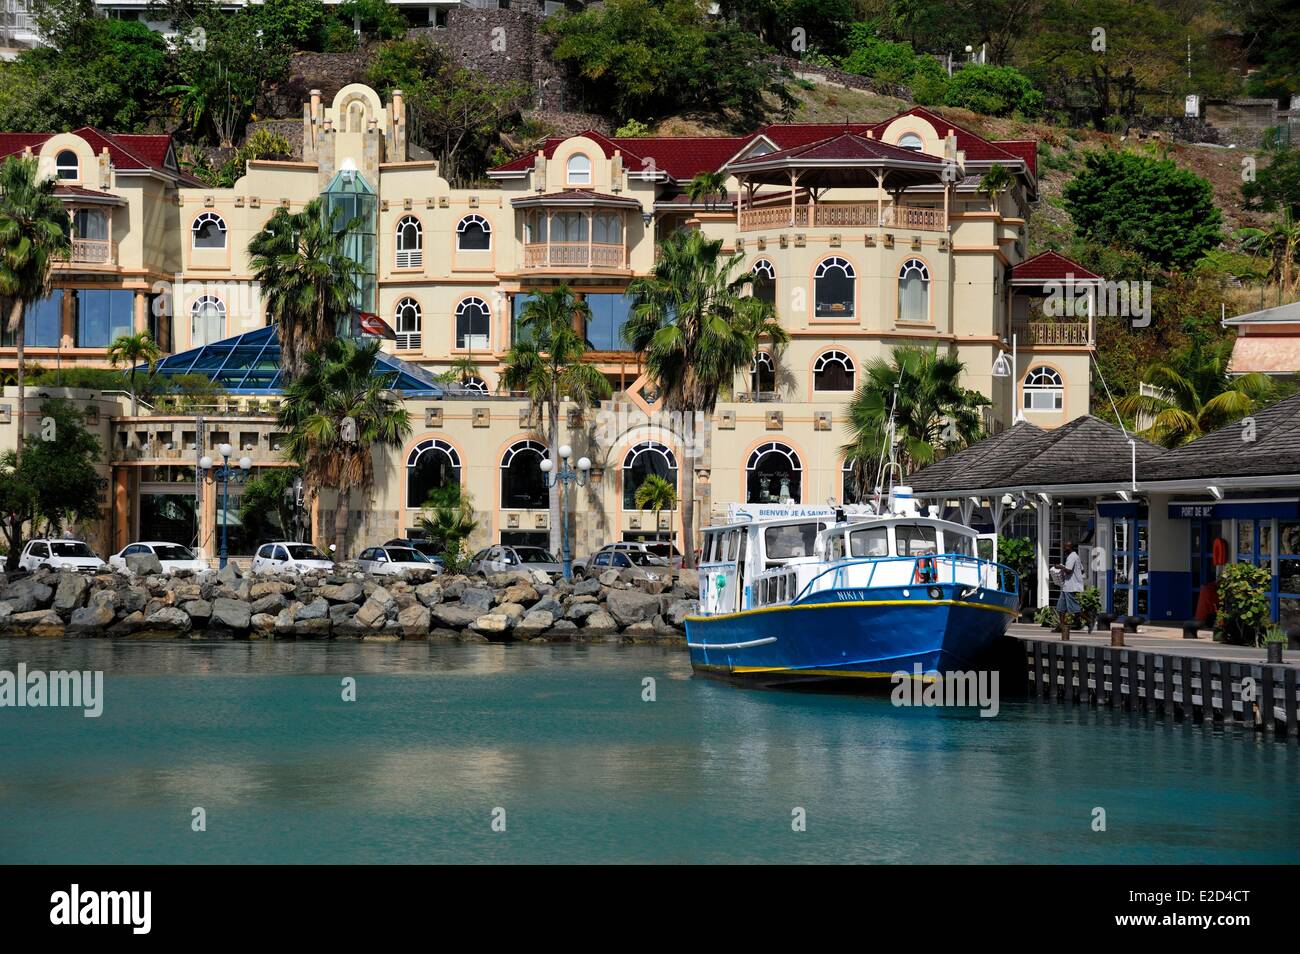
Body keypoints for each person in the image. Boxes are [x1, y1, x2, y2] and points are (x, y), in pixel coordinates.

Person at [1054, 541, 1084, 640]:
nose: (1064, 548)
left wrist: (1059, 567)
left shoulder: (1072, 557)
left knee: (1074, 608)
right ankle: (1062, 626)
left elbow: (1069, 570)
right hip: (1067, 586)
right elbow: (1082, 570)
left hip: (1071, 587)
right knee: (1060, 608)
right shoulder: (1076, 556)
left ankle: (1089, 619)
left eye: (1066, 547)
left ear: (1070, 548)